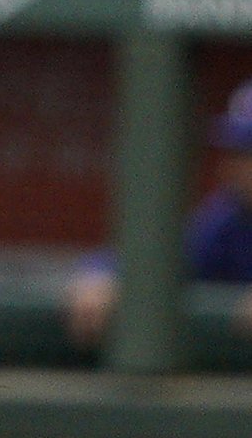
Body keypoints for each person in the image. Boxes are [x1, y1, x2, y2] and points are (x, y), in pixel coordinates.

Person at [68, 81, 252, 352]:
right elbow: (156, 258)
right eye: (236, 152)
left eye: (246, 154)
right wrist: (102, 275)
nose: (235, 166)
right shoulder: (229, 219)